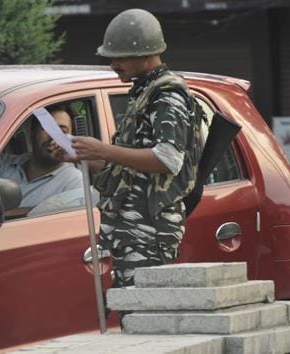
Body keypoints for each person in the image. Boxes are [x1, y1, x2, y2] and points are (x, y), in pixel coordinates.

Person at [69, 9, 203, 293]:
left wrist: (104, 150)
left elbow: (168, 159)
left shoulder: (167, 95)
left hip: (150, 229)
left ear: (146, 55)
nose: (114, 65)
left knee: (147, 313)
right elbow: (128, 168)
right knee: (133, 310)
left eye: (120, 57)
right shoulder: (144, 92)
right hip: (133, 228)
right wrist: (84, 154)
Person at [0, 104, 84, 211]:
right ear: (32, 133)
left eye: (62, 131)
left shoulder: (73, 179)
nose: (53, 136)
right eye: (46, 128)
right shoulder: (3, 163)